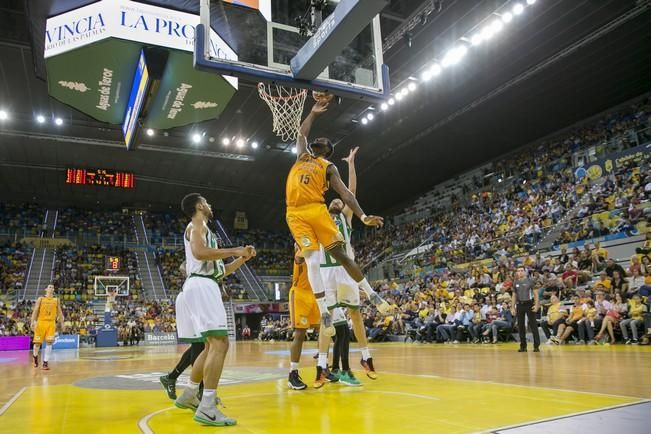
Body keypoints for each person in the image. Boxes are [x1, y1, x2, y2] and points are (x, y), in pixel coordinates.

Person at [285, 97, 387, 337]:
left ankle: (371, 293)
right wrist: (313, 113)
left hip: (315, 209)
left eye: (323, 141)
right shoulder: (302, 157)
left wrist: (362, 217)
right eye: (316, 140)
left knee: (341, 254)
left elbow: (347, 194)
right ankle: (324, 313)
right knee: (310, 259)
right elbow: (301, 134)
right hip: (295, 213)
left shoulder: (328, 167)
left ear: (327, 150)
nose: (317, 140)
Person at [173, 193, 255, 427]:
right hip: (201, 285)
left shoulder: (204, 229)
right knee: (220, 344)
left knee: (210, 345)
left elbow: (220, 271)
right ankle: (207, 407)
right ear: (199, 205)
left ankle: (190, 394)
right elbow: (199, 252)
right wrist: (235, 249)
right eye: (206, 202)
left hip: (201, 284)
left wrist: (242, 258)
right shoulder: (197, 224)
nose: (209, 204)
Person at [320, 146, 384, 380]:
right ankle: (324, 366)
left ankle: (365, 356)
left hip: (346, 270)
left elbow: (351, 191)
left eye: (340, 200)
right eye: (334, 200)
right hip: (327, 273)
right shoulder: (321, 218)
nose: (338, 201)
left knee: (355, 314)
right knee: (328, 323)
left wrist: (350, 164)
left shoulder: (346, 217)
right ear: (328, 206)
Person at [31, 283, 64, 370]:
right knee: (37, 343)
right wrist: (32, 321)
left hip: (51, 323)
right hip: (41, 322)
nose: (51, 288)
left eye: (53, 287)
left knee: (49, 342)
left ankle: (45, 362)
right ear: (46, 289)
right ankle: (35, 357)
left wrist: (62, 323)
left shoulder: (56, 300)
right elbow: (35, 310)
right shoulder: (41, 299)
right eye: (50, 287)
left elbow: (60, 312)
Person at [511, 267, 541, 352]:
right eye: (518, 271)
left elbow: (536, 294)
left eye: (521, 271)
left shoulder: (530, 281)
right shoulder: (515, 282)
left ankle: (536, 346)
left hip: (529, 304)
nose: (520, 272)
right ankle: (523, 346)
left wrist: (536, 305)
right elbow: (514, 296)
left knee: (533, 325)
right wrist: (512, 307)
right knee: (520, 326)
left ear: (525, 272)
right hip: (520, 305)